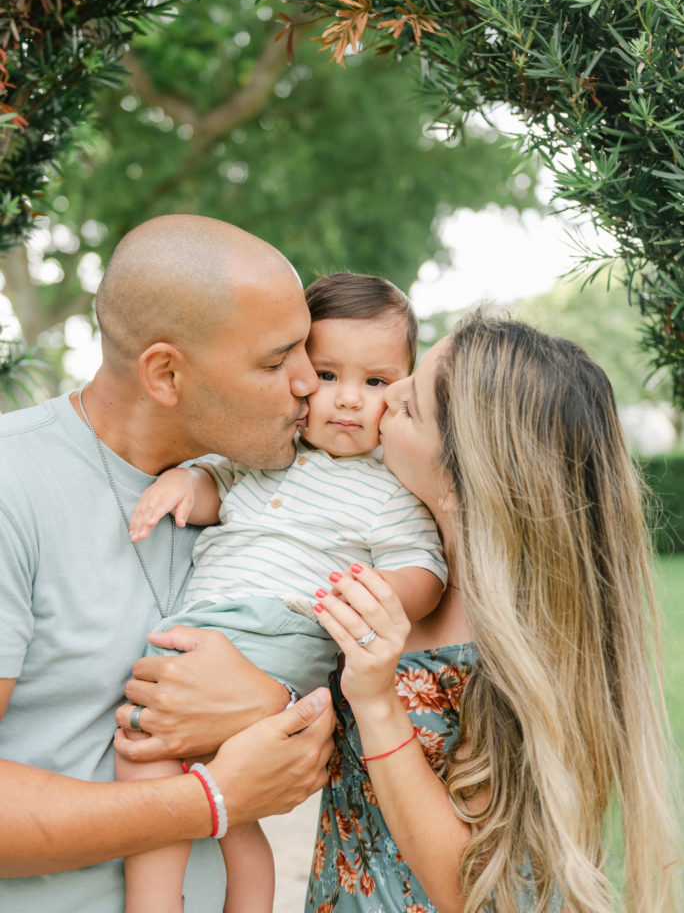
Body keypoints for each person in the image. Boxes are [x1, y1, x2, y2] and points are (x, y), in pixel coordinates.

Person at [0, 214, 336, 913]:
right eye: (277, 362)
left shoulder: (286, 490)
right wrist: (208, 802)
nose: (310, 383)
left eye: (307, 350)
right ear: (166, 373)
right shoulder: (13, 484)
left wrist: (273, 704)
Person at [308, 311, 681, 913]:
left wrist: (376, 705)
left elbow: (478, 890)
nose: (389, 393)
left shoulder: (520, 656)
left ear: (461, 483)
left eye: (410, 407)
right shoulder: (407, 562)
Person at [117, 272, 448, 913]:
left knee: (144, 751)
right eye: (327, 376)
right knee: (226, 805)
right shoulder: (263, 453)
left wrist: (375, 594)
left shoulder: (387, 489)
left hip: (285, 631)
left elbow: (426, 574)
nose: (348, 400)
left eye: (376, 383)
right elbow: (214, 488)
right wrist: (183, 486)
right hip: (208, 631)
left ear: (401, 386)